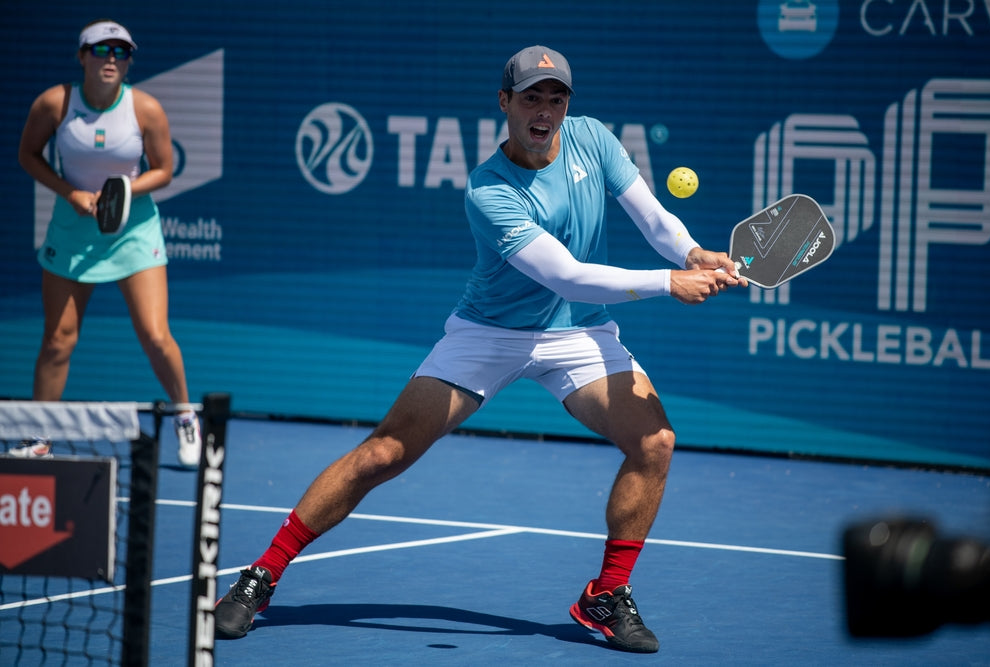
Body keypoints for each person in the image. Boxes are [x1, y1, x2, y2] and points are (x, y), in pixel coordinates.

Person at [215, 45, 745, 653]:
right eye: (531, 97)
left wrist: (691, 253)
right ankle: (262, 575)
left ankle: (606, 594)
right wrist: (668, 283)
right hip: (489, 334)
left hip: (579, 333)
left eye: (556, 98)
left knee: (655, 442)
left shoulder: (593, 139)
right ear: (504, 103)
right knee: (383, 454)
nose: (544, 110)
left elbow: (652, 218)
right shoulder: (488, 190)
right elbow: (567, 275)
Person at [14, 19, 201, 467]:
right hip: (73, 230)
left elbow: (164, 170)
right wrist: (70, 193)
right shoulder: (54, 103)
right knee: (58, 340)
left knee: (156, 336)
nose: (112, 58)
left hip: (133, 232)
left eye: (121, 51)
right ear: (82, 57)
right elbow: (28, 155)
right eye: (101, 50)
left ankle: (184, 414)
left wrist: (121, 191)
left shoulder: (146, 109)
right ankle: (39, 436)